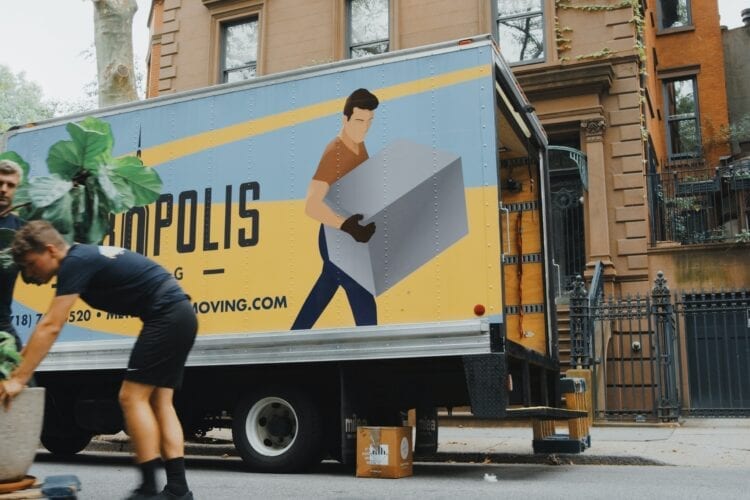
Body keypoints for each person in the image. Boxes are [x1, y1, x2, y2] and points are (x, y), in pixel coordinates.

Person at [0, 221, 197, 500]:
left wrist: (19, 378)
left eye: (31, 264)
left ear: (50, 250)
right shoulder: (83, 257)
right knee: (159, 402)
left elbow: (51, 326)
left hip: (166, 315)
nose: (30, 273)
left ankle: (148, 489)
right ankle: (178, 489)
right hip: (179, 313)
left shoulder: (74, 262)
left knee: (131, 397)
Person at [291, 88, 379, 330]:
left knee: (328, 283)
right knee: (359, 288)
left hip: (350, 233)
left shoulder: (359, 146)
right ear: (345, 119)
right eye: (359, 121)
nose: (365, 127)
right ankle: (375, 350)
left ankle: (295, 337)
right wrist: (346, 226)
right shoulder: (336, 152)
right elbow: (311, 204)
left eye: (369, 121)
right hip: (335, 236)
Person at [0, 159, 25, 351]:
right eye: (0, 183)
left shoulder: (20, 229)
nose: (4, 189)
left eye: (10, 185)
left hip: (2, 323)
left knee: (22, 378)